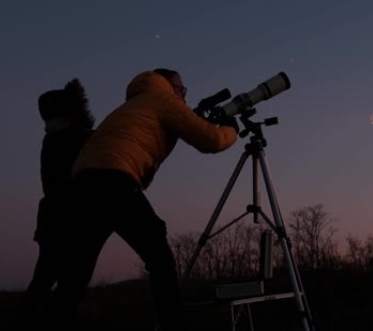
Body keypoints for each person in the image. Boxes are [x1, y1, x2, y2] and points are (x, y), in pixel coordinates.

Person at [44, 68, 239, 330]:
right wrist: (231, 129)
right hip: (114, 180)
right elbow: (211, 140)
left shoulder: (129, 107)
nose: (183, 95)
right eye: (180, 89)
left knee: (75, 275)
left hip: (81, 183)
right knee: (160, 260)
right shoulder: (163, 100)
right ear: (167, 87)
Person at [17, 78, 95, 329]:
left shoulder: (57, 138)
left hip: (54, 221)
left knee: (53, 279)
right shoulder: (68, 138)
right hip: (63, 221)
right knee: (59, 281)